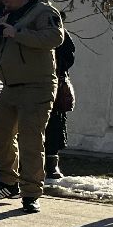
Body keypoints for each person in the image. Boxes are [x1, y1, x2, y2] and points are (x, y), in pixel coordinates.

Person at [0, 0, 64, 214]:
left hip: (37, 86)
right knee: (1, 136)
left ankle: (31, 193)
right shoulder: (7, 16)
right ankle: (8, 183)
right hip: (10, 88)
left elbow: (55, 38)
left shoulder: (43, 12)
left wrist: (17, 33)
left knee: (31, 142)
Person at [43, 27, 77, 180]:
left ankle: (51, 163)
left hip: (54, 84)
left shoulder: (58, 31)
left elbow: (68, 57)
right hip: (29, 84)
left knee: (54, 125)